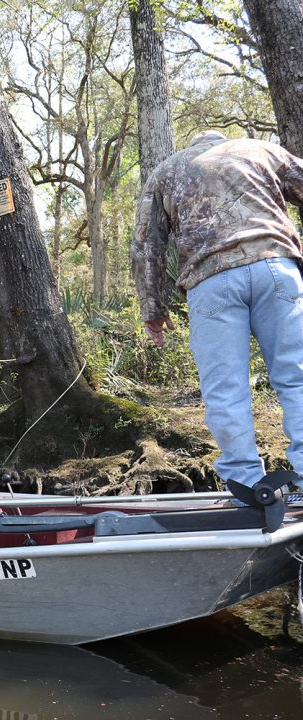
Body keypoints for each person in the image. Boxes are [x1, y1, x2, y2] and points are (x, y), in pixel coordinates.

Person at [132, 130, 303, 495]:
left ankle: (247, 486)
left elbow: (147, 245)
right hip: (277, 268)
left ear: (194, 146)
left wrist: (153, 309)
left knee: (225, 389)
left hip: (211, 280)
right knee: (297, 378)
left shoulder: (168, 169)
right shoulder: (261, 151)